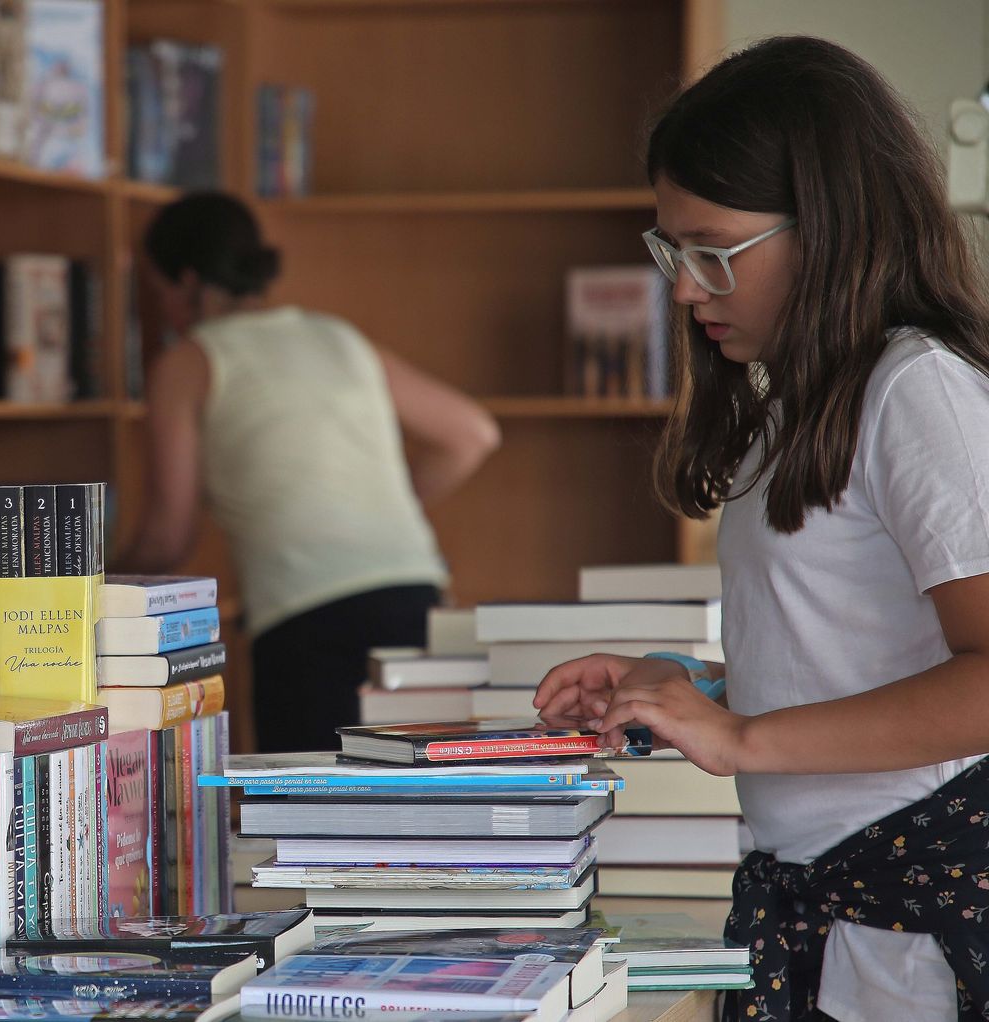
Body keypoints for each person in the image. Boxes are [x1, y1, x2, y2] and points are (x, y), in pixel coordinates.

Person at [532, 36, 989, 1022]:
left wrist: (738, 734)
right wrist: (689, 688)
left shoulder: (915, 391)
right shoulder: (797, 406)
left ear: (830, 226)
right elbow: (860, 658)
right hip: (831, 910)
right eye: (670, 251)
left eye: (713, 252)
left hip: (912, 921)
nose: (684, 288)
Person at [118, 192, 500, 753]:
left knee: (312, 804)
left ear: (188, 281)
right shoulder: (337, 337)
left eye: (158, 294)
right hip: (417, 602)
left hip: (308, 623)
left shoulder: (188, 363)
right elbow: (472, 434)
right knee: (430, 793)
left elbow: (167, 538)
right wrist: (381, 505)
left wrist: (88, 595)